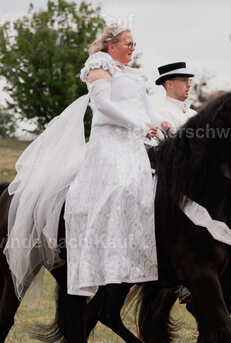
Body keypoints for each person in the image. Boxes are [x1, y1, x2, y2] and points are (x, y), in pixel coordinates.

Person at [63, 25, 165, 297]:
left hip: (135, 140)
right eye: (128, 44)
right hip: (109, 139)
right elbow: (104, 106)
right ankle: (108, 255)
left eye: (134, 44)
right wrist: (140, 127)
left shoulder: (134, 73)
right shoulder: (99, 65)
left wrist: (161, 123)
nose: (133, 48)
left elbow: (147, 110)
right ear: (111, 46)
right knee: (123, 185)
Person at [152, 62, 196, 135]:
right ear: (169, 84)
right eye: (184, 80)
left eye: (188, 80)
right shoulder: (163, 116)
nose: (189, 85)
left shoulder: (193, 113)